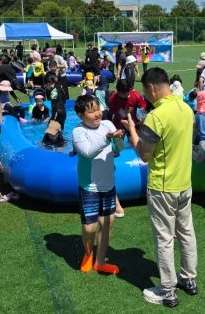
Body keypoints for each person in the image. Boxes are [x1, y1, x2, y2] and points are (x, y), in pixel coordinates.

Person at [122, 68, 198, 308]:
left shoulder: (156, 116)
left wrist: (132, 130)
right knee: (186, 232)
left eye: (146, 92)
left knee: (164, 239)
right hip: (184, 183)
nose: (146, 96)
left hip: (163, 186)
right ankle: (189, 279)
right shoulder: (186, 108)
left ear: (152, 88)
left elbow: (145, 155)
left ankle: (167, 291)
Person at [72, 95, 125, 274]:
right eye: (91, 111)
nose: (97, 114)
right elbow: (88, 152)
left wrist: (118, 138)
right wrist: (107, 138)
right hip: (90, 187)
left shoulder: (108, 124)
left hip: (108, 185)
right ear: (81, 115)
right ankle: (88, 254)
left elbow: (118, 149)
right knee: (90, 227)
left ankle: (100, 261)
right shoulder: (78, 132)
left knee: (107, 223)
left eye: (97, 109)